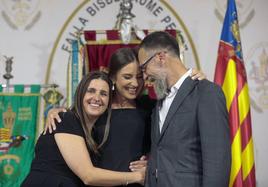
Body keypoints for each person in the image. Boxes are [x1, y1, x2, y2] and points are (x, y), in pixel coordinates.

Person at [135, 31, 231, 187]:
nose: (145, 76)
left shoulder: (206, 93)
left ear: (160, 57)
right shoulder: (159, 99)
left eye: (144, 68)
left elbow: (217, 160)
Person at [22, 71, 144, 187]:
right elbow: (88, 176)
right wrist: (138, 176)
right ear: (80, 94)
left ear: (109, 101)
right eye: (91, 91)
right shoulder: (66, 119)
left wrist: (145, 163)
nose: (97, 98)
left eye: (103, 94)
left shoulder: (94, 133)